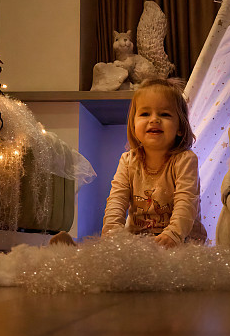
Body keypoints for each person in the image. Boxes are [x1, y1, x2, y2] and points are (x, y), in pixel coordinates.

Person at [50, 78, 206, 248]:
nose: (154, 119)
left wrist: (173, 233)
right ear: (133, 125)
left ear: (180, 127)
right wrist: (112, 233)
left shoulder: (185, 159)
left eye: (165, 114)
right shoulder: (128, 160)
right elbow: (117, 199)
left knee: (176, 264)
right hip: (139, 241)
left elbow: (187, 200)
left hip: (181, 240)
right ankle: (74, 254)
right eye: (145, 114)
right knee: (115, 258)